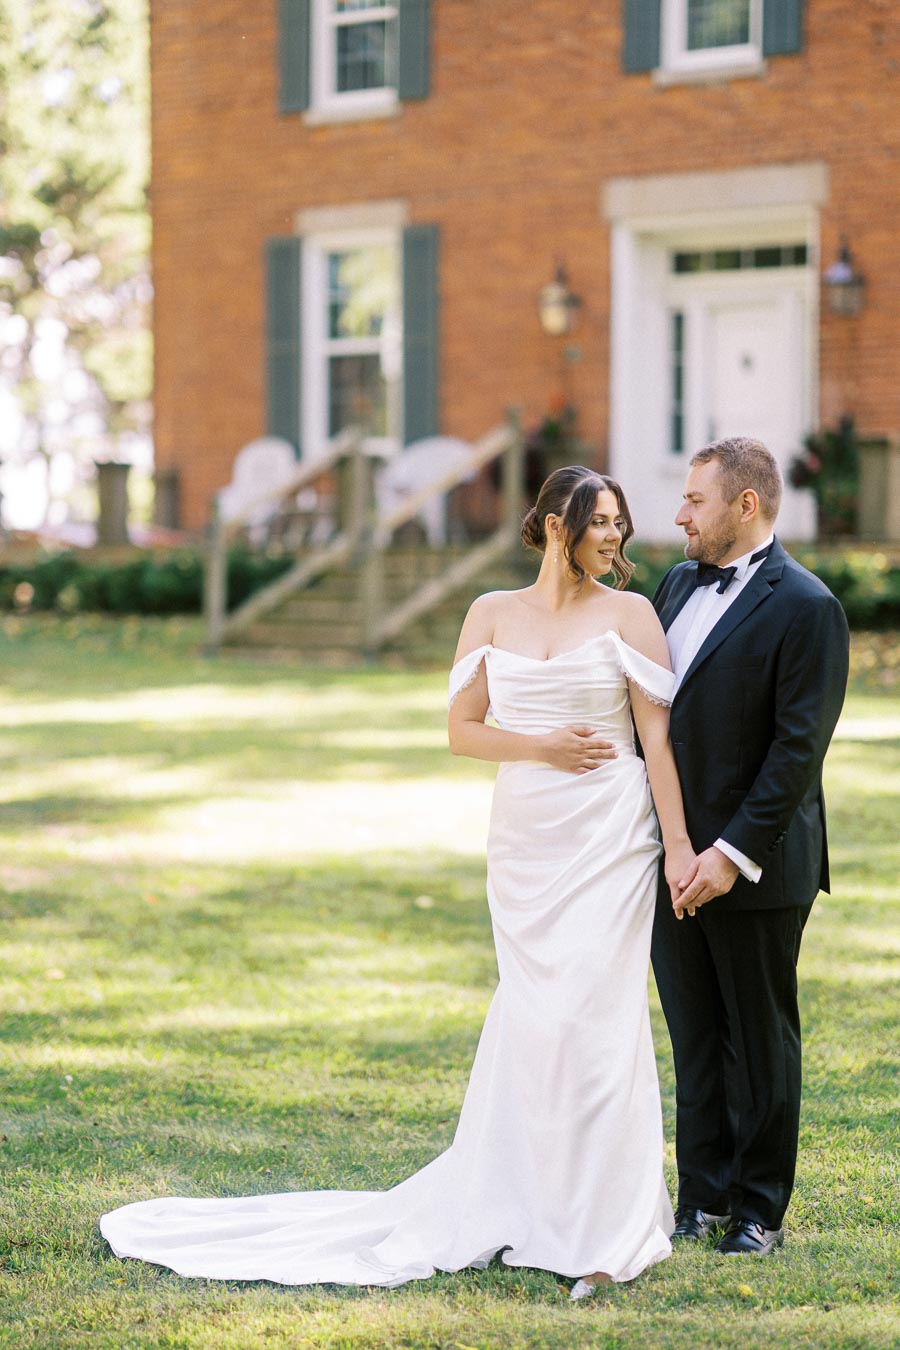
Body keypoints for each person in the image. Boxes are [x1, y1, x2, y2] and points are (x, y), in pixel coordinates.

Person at [100, 466, 693, 1296]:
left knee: (594, 1018)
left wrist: (677, 847)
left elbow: (656, 741)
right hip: (528, 839)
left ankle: (606, 1226)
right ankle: (525, 1198)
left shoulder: (633, 614)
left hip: (608, 835)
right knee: (536, 1019)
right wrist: (541, 748)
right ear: (557, 525)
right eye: (601, 522)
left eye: (619, 525)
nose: (615, 538)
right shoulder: (490, 613)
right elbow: (461, 730)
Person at [650, 437, 849, 1259]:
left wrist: (726, 855)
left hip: (755, 866)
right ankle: (700, 1197)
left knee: (758, 1038)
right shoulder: (671, 584)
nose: (679, 513)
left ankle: (758, 1210)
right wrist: (672, 845)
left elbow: (796, 754)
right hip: (669, 859)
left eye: (695, 499)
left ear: (745, 505)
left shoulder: (807, 606)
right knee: (695, 1035)